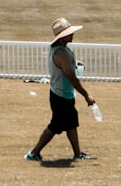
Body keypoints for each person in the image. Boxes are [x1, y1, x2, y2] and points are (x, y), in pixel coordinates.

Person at [25, 18, 96, 163]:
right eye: (70, 33)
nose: (72, 35)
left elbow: (65, 65)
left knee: (71, 123)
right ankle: (33, 154)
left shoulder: (58, 49)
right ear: (62, 36)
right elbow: (71, 76)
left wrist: (75, 62)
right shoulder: (61, 53)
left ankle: (77, 154)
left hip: (60, 93)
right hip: (61, 95)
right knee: (55, 126)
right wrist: (86, 95)